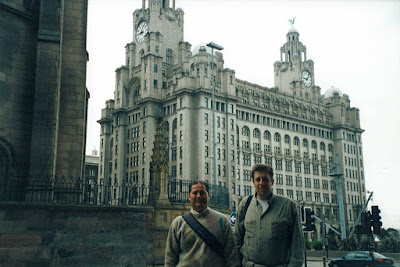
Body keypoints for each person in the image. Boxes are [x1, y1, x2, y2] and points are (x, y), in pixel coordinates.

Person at [234, 164, 305, 267]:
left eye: (265, 179)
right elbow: (237, 239)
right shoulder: (245, 205)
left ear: (272, 181)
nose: (261, 183)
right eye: (258, 180)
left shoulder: (288, 206)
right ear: (253, 183)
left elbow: (297, 245)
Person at [165, 180, 240, 267]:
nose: (198, 196)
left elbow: (232, 256)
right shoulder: (178, 223)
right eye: (195, 193)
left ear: (209, 196)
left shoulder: (222, 221)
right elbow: (170, 258)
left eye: (202, 193)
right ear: (189, 196)